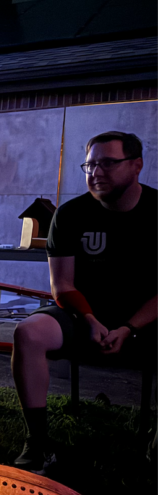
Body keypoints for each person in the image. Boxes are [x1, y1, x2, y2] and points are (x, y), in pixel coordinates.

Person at [11, 131, 156, 474]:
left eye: (108, 163)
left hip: (145, 319)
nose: (96, 172)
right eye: (90, 165)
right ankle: (37, 442)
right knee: (28, 333)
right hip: (84, 315)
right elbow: (61, 284)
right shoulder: (72, 214)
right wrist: (91, 320)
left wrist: (129, 327)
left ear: (136, 165)